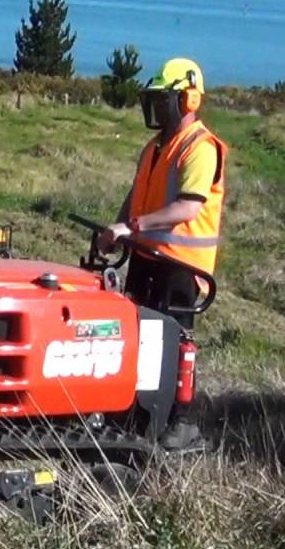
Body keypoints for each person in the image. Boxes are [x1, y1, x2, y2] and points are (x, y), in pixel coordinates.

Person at [97, 57, 228, 451]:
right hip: (146, 255)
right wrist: (117, 229)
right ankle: (136, 411)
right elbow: (135, 196)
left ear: (187, 100)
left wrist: (132, 227)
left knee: (177, 344)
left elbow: (188, 207)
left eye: (163, 100)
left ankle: (181, 422)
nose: (156, 109)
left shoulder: (200, 148)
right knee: (139, 338)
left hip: (182, 267)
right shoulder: (155, 148)